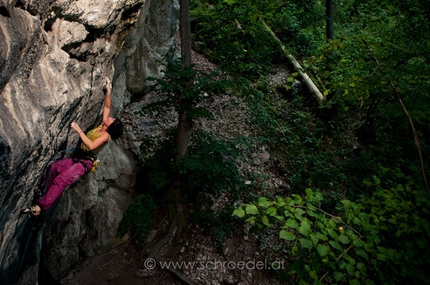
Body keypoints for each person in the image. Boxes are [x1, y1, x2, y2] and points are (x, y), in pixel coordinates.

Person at [22, 77, 123, 216]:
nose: (110, 118)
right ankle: (45, 194)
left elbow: (91, 145)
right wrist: (108, 91)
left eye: (112, 120)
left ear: (110, 126)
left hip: (84, 164)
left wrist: (78, 129)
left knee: (62, 179)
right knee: (53, 168)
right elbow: (107, 106)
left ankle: (41, 207)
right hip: (77, 158)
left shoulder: (106, 136)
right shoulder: (102, 125)